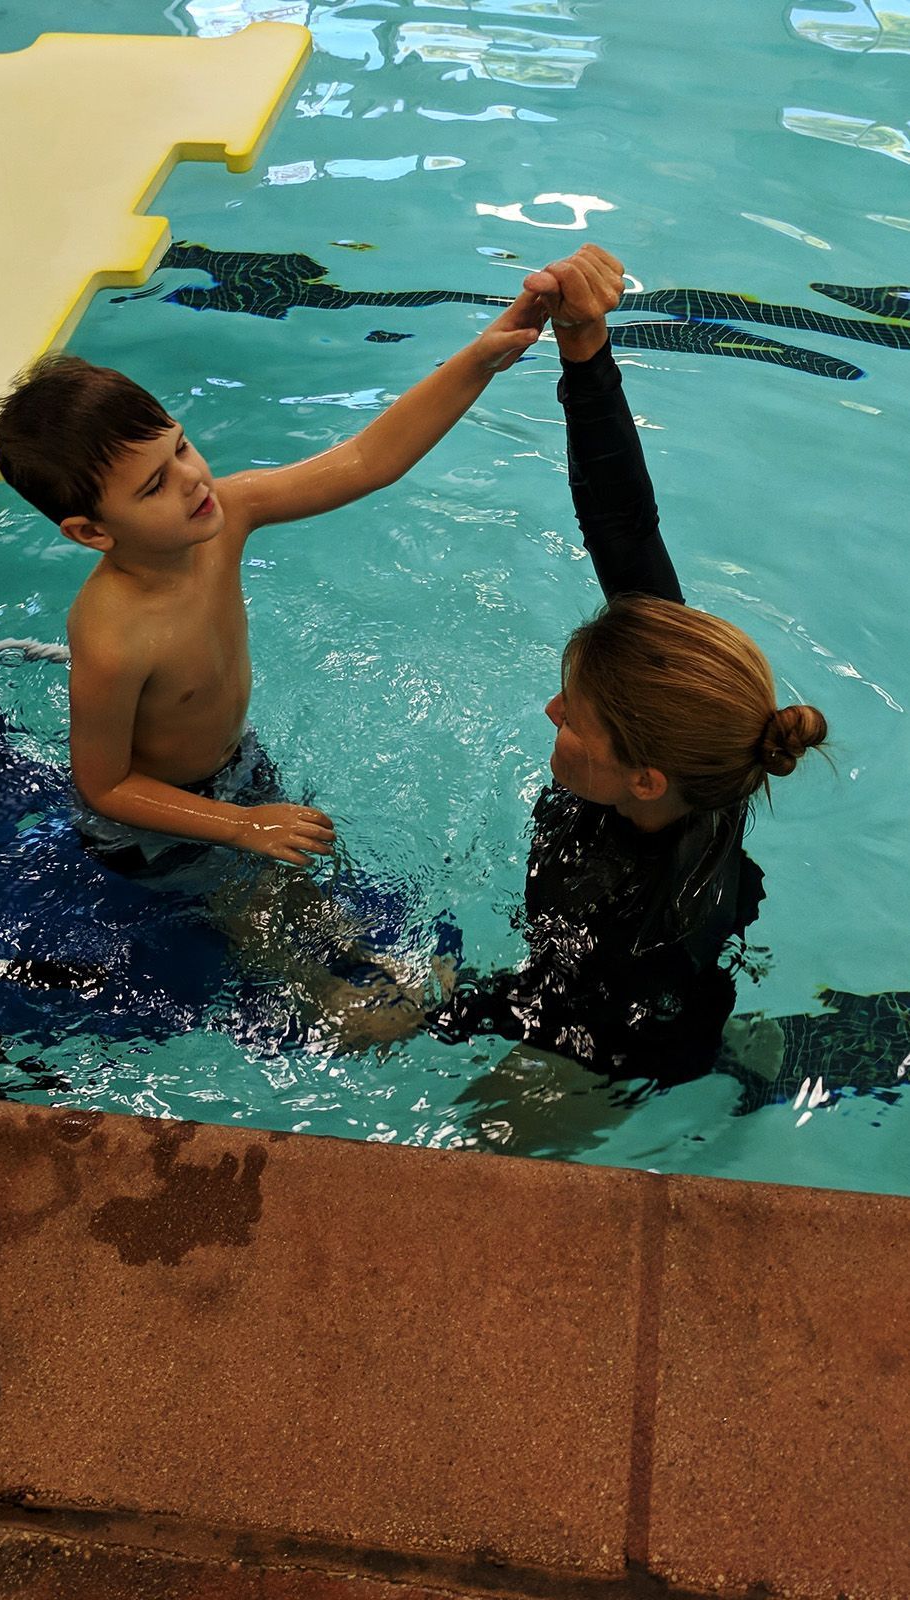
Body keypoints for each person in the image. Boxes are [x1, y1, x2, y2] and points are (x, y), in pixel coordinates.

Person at [426, 244, 829, 1085]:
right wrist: (584, 342)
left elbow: (558, 1012)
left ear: (644, 778)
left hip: (630, 1044)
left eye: (574, 713)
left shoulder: (640, 927)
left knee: (483, 1145)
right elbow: (623, 522)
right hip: (623, 970)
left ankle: (729, 1066)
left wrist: (437, 1004)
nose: (551, 713)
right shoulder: (680, 725)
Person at [0, 313, 541, 881]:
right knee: (274, 939)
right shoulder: (113, 636)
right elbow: (104, 785)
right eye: (154, 485)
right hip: (152, 823)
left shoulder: (229, 515)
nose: (192, 479)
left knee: (316, 896)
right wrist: (238, 826)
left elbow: (368, 461)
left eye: (180, 448)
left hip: (235, 767)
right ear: (92, 533)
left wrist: (479, 360)